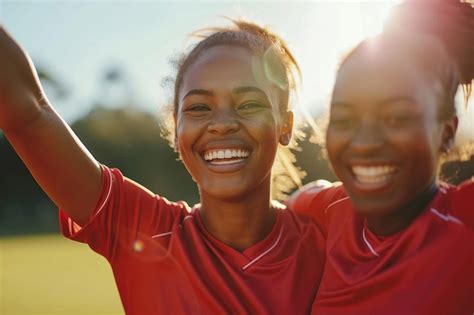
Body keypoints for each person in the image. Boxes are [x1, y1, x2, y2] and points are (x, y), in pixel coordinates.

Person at [0, 21, 326, 314]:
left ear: (285, 124)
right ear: (176, 128)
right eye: (199, 107)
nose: (222, 124)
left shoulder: (327, 238)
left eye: (250, 104)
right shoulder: (140, 228)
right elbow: (29, 114)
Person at [289, 31, 474, 315]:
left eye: (397, 118)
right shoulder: (327, 209)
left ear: (446, 132)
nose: (364, 143)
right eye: (344, 119)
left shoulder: (464, 220)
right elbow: (297, 200)